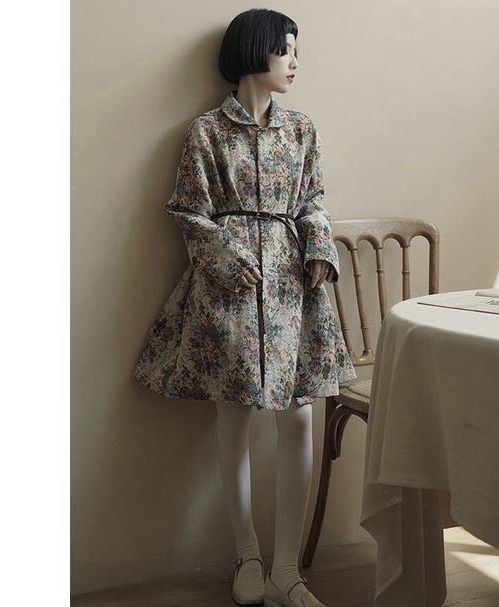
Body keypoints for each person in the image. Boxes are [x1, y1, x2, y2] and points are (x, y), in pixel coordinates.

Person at [133, 8, 355, 607]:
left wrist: (318, 246)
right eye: (287, 50)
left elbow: (313, 200)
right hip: (228, 292)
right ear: (256, 51)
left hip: (291, 290)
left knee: (300, 418)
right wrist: (226, 255)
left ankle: (287, 570)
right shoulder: (206, 133)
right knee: (233, 420)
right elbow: (187, 209)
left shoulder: (302, 130)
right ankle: (247, 556)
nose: (296, 63)